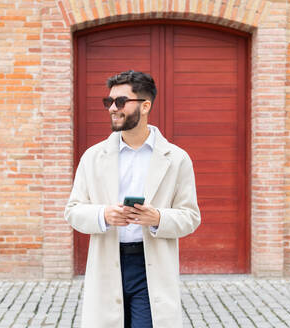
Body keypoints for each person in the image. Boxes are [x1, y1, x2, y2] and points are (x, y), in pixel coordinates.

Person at [65, 70, 201, 328]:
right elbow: (73, 211)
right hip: (107, 260)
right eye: (109, 102)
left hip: (151, 265)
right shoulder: (93, 157)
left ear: (145, 105)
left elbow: (191, 217)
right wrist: (103, 215)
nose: (112, 109)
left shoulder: (177, 158)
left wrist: (158, 217)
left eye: (120, 102)